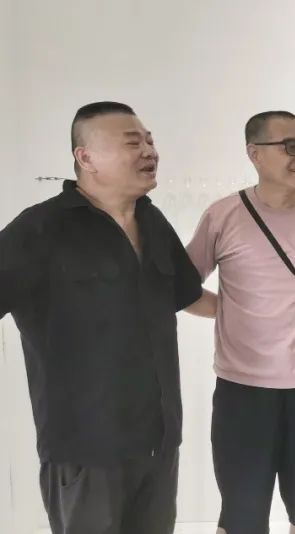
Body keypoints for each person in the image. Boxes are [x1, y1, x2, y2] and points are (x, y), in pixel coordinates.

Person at [0, 101, 203, 533]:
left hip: (159, 443)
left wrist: (269, 313)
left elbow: (188, 295)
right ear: (86, 157)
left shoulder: (152, 220)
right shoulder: (40, 229)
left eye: (149, 140)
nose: (149, 151)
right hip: (85, 450)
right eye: (133, 142)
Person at [184, 111, 295, 534]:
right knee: (241, 515)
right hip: (243, 391)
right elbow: (182, 288)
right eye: (290, 147)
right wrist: (228, 308)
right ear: (255, 154)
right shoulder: (223, 216)